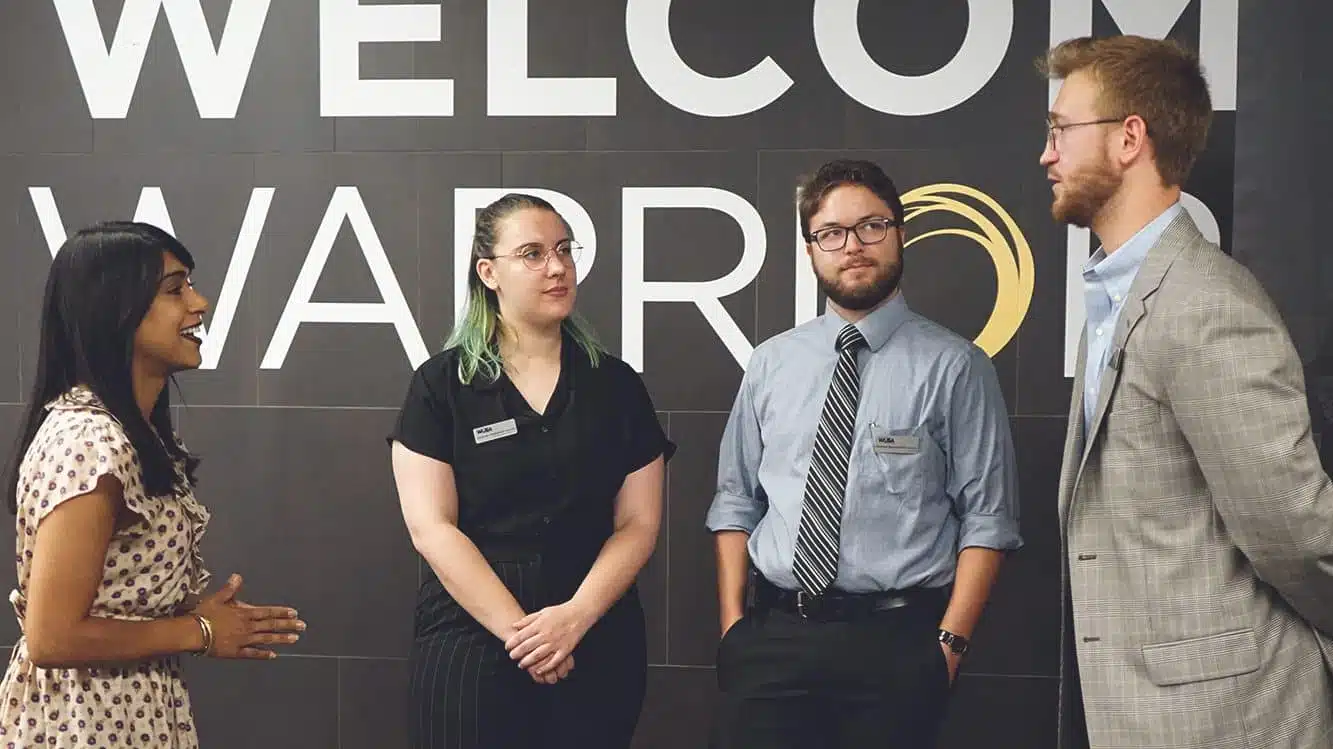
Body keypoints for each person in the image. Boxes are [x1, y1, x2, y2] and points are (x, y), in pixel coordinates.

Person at [1041, 35, 1333, 749]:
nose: (1045, 155)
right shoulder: (1119, 293)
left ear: (1128, 138)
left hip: (1227, 718)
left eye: (1058, 130)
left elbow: (1294, 533)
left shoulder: (1205, 303)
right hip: (1135, 709)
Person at [705, 159, 1022, 748]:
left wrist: (947, 647)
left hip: (896, 648)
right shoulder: (771, 363)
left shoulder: (955, 366)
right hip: (775, 641)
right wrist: (733, 628)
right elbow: (734, 501)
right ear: (811, 250)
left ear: (900, 232)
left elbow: (989, 519)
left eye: (871, 226)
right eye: (831, 233)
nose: (852, 246)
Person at [0, 222, 307, 749]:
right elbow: (52, 637)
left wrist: (193, 615)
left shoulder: (127, 433)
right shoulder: (90, 442)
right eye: (174, 289)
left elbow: (109, 602)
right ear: (114, 310)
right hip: (82, 725)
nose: (200, 303)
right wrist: (200, 632)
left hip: (129, 714)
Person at [388, 193, 674, 749]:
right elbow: (432, 528)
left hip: (594, 630)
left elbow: (638, 523)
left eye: (564, 250)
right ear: (488, 272)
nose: (558, 266)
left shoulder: (616, 386)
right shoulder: (439, 385)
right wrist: (525, 636)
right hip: (472, 635)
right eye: (533, 253)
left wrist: (574, 619)